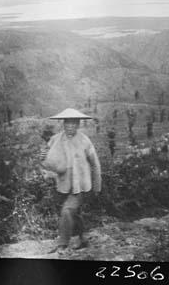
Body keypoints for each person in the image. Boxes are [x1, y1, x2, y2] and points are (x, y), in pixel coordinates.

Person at [40, 108, 101, 254]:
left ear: (78, 125)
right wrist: (43, 158)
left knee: (67, 211)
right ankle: (83, 238)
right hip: (63, 184)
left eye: (74, 124)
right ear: (63, 124)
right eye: (68, 124)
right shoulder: (55, 139)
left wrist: (97, 185)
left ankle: (63, 244)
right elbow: (46, 159)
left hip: (81, 185)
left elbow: (95, 163)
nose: (70, 127)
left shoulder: (85, 141)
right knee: (75, 212)